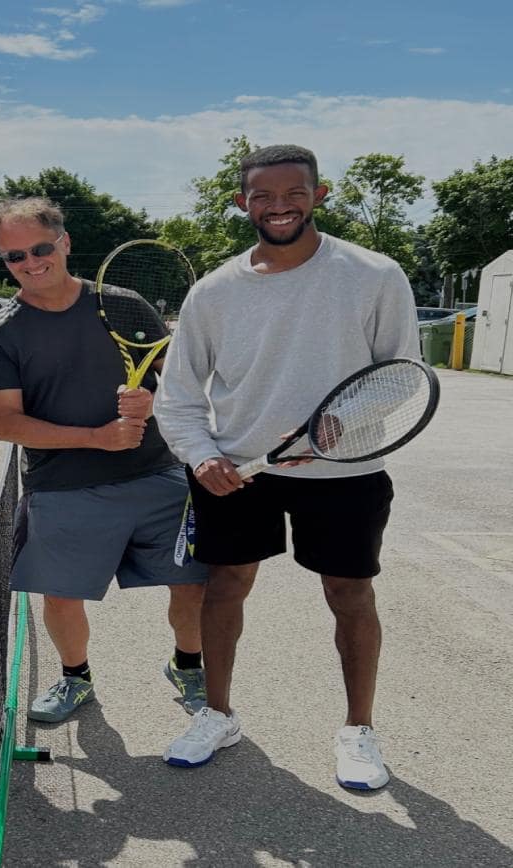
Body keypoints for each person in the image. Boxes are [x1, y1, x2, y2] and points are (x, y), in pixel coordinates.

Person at [154, 144, 420, 790]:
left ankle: (359, 731)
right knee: (223, 588)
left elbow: (402, 376)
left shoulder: (375, 275)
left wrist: (338, 423)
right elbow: (179, 398)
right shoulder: (213, 292)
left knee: (349, 594)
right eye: (263, 196)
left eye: (293, 193)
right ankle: (217, 714)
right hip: (241, 470)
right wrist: (203, 455)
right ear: (243, 203)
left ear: (319, 195)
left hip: (346, 471)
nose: (279, 207)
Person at [0, 197, 208, 725]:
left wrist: (155, 400)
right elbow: (5, 423)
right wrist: (96, 437)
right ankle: (75, 678)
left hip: (158, 475)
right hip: (63, 487)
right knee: (61, 598)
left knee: (193, 584)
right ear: (3, 262)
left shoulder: (124, 303)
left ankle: (188, 667)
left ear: (65, 243)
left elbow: (179, 379)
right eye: (14, 257)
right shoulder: (0, 333)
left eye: (40, 248)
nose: (31, 263)